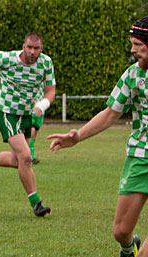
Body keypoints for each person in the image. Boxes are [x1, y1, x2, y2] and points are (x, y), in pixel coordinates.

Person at [48, 16, 148, 257]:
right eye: (131, 44)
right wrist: (78, 136)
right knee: (120, 231)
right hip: (140, 157)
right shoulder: (132, 75)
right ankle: (128, 247)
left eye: (138, 44)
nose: (132, 50)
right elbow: (110, 114)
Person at [0, 32, 55, 217]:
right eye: (29, 47)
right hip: (7, 113)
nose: (32, 52)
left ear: (41, 49)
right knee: (26, 157)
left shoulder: (46, 63)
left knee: (15, 160)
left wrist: (41, 106)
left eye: (36, 48)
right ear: (23, 46)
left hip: (26, 115)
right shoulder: (7, 58)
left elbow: (51, 91)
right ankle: (37, 204)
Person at [30, 89, 45, 165]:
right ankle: (31, 158)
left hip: (41, 112)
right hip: (31, 110)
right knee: (31, 133)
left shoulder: (46, 81)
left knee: (34, 135)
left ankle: (27, 153)